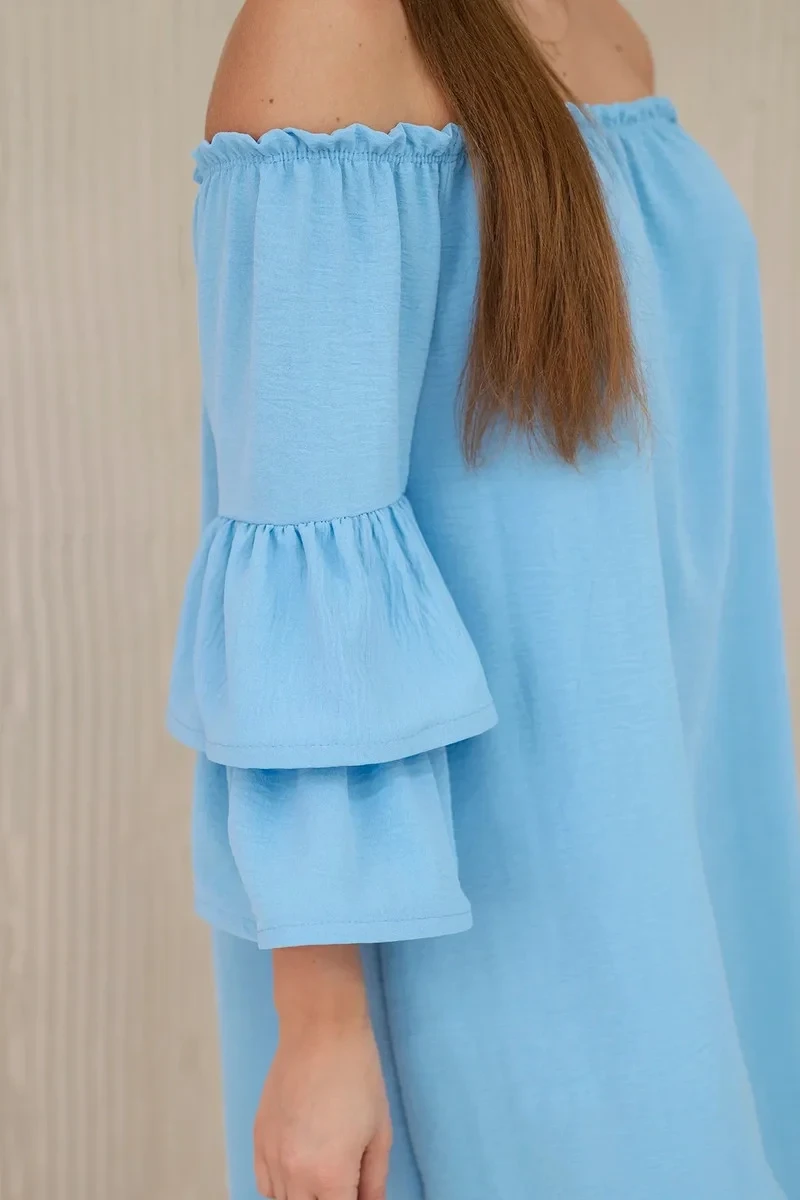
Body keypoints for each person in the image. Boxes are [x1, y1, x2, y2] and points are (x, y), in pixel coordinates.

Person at [166, 1, 800, 1196]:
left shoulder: (603, 33)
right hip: (498, 943)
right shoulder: (329, 28)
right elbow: (303, 581)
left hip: (683, 874)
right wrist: (319, 1029)